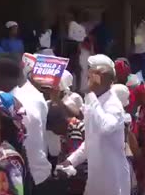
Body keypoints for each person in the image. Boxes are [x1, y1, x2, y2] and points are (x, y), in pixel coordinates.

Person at [60, 54, 130, 195]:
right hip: (95, 180)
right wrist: (71, 161)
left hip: (113, 181)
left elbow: (105, 127)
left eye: (91, 71)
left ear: (102, 76)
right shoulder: (94, 100)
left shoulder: (113, 104)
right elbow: (91, 141)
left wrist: (91, 95)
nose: (87, 76)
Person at [0, 56, 52, 194]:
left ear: (3, 78)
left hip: (30, 176)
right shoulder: (27, 95)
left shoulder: (19, 104)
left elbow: (26, 143)